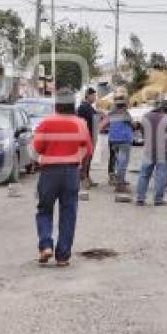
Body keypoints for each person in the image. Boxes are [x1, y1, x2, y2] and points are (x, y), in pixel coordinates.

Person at [32, 90, 93, 266]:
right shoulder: (80, 123)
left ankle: (46, 246)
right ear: (72, 104)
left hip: (49, 172)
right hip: (72, 172)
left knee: (44, 209)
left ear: (56, 104)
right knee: (69, 213)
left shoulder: (46, 123)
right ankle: (63, 256)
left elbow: (37, 148)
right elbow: (88, 149)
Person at [136, 101, 167, 206]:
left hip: (149, 149)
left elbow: (142, 132)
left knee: (144, 174)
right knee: (161, 175)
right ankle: (158, 199)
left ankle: (140, 198)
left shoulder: (146, 116)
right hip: (163, 151)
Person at [108, 98, 134, 193]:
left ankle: (120, 180)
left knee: (119, 162)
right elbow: (132, 124)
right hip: (124, 140)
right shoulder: (125, 114)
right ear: (124, 106)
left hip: (114, 140)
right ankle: (120, 184)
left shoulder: (111, 114)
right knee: (123, 163)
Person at [77, 87, 99, 188]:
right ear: (88, 95)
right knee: (85, 159)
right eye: (93, 96)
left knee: (89, 158)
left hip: (90, 136)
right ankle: (83, 178)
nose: (95, 98)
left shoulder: (89, 107)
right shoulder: (83, 107)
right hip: (85, 137)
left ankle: (87, 176)